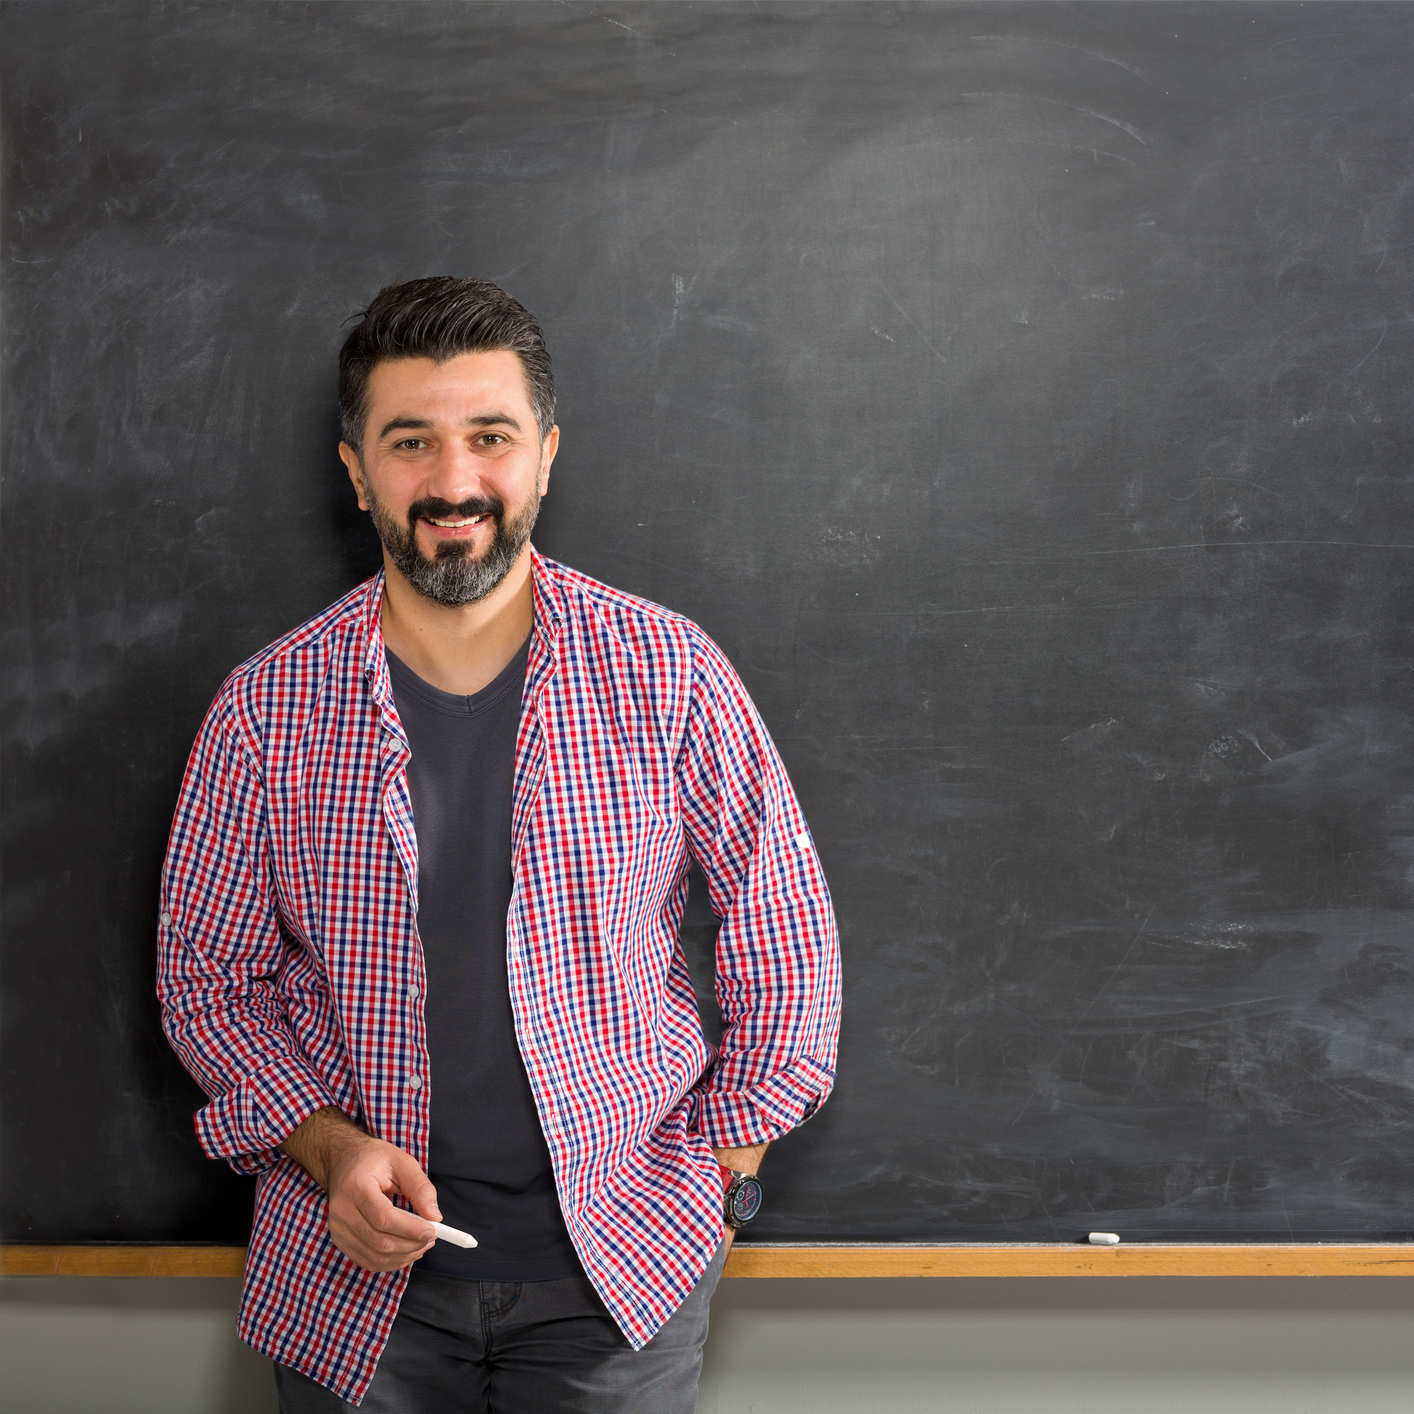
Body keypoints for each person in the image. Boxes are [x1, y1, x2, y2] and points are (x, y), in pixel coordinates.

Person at [157, 276, 841, 1411]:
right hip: (349, 1289)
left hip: (624, 1276)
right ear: (355, 466)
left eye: (490, 437)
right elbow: (208, 982)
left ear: (546, 452)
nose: (453, 481)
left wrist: (715, 1180)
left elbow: (790, 949)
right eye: (410, 441)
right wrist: (330, 1152)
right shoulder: (264, 711)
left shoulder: (668, 674)